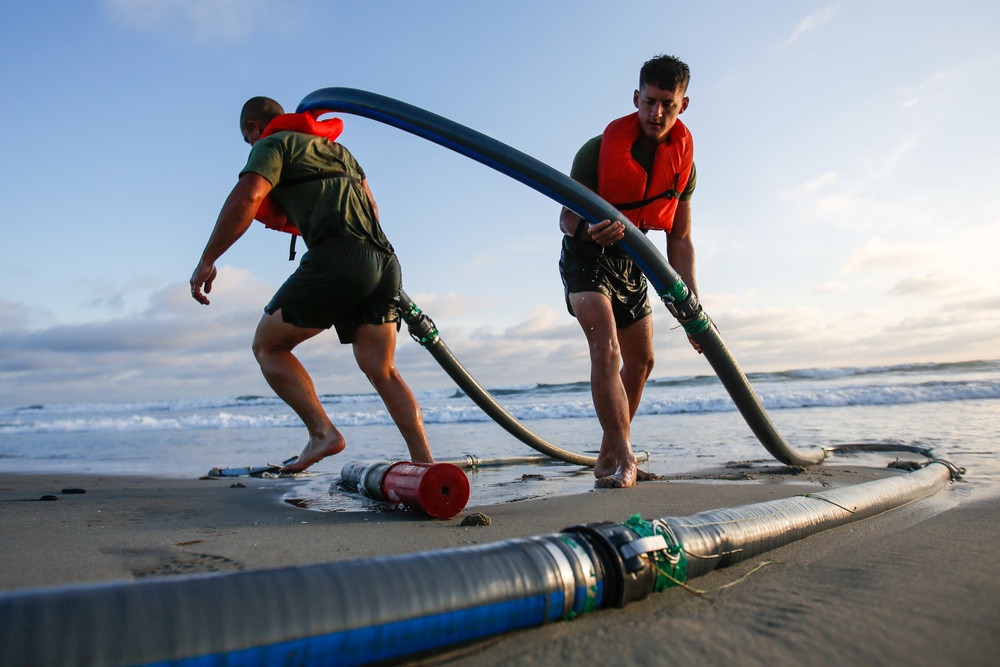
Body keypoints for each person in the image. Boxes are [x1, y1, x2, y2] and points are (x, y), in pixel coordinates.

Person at [190, 96, 433, 473]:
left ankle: (323, 433)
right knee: (382, 369)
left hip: (340, 257)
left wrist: (208, 260)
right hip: (386, 261)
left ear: (255, 127)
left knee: (268, 345)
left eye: (247, 139)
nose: (251, 147)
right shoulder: (339, 150)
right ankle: (427, 468)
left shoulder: (273, 144)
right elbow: (372, 207)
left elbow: (249, 196)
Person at [558, 55, 699, 489]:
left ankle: (608, 456)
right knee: (607, 347)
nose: (657, 113)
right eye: (650, 102)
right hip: (587, 254)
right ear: (636, 98)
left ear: (683, 105)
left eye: (668, 104)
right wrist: (588, 227)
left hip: (632, 258)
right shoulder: (596, 150)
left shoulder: (684, 164)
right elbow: (565, 217)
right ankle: (624, 457)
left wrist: (691, 307)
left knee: (642, 360)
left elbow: (680, 239)